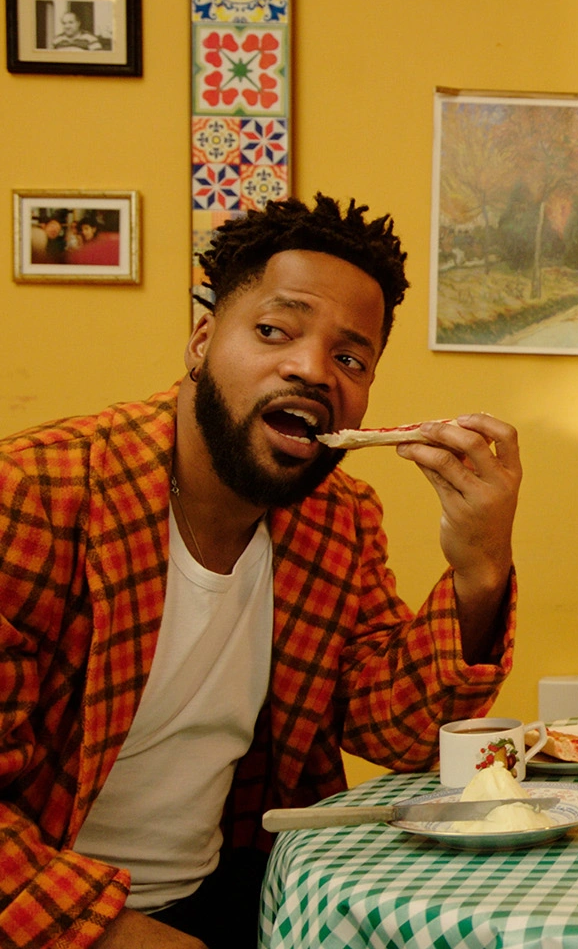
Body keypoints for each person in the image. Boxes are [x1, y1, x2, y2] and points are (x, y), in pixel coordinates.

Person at [0, 194, 524, 949]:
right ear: (202, 340)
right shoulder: (32, 496)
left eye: (350, 358)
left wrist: (480, 566)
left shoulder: (335, 518)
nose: (311, 369)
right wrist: (111, 933)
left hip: (234, 892)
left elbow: (396, 730)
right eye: (275, 330)